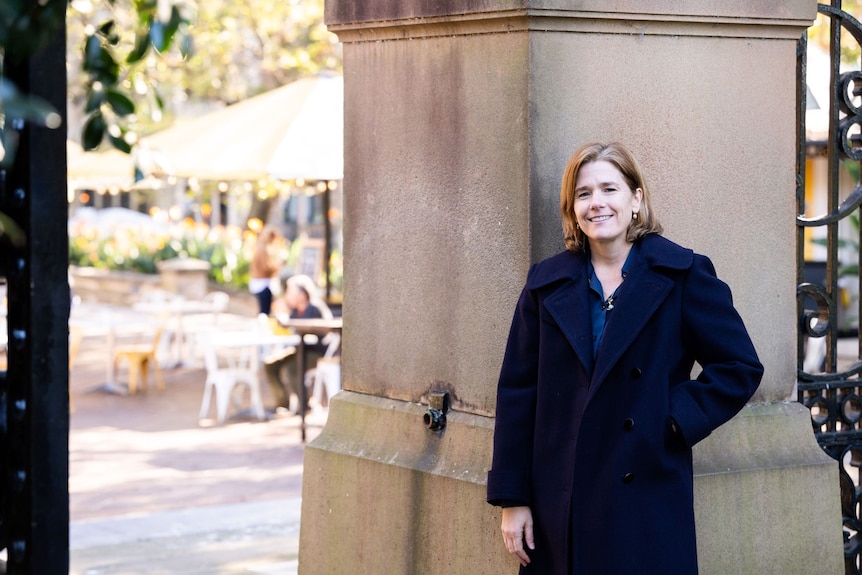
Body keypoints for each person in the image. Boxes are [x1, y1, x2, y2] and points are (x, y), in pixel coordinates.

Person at [486, 142, 763, 574]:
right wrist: (512, 498)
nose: (596, 203)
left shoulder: (682, 275)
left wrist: (670, 418)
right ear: (572, 208)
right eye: (583, 193)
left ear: (636, 199)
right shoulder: (546, 284)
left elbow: (739, 366)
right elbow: (519, 391)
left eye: (609, 189)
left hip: (645, 493)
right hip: (560, 498)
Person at [263, 274, 332, 413]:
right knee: (270, 365)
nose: (288, 295)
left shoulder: (315, 308)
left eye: (290, 292)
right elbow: (290, 331)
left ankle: (305, 405)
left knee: (291, 369)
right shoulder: (294, 311)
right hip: (299, 349)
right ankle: (282, 402)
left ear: (302, 294)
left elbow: (324, 335)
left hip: (316, 352)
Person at [249, 225, 283, 315]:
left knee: (264, 310)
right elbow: (266, 268)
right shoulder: (264, 250)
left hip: (260, 282)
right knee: (264, 311)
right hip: (263, 284)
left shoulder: (261, 248)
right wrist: (278, 265)